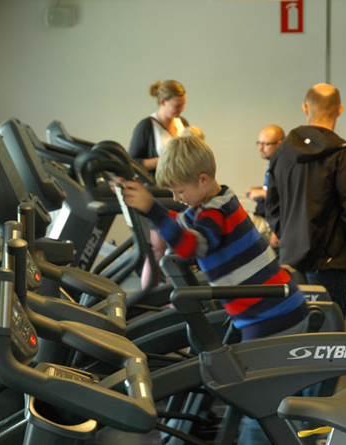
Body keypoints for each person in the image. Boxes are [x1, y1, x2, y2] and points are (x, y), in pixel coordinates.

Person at [118, 136, 309, 340]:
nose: (176, 198)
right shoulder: (217, 201)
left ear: (203, 180)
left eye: (180, 191)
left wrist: (153, 210)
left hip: (272, 315)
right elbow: (180, 223)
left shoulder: (216, 213)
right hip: (264, 311)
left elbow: (191, 246)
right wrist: (146, 203)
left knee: (247, 360)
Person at [266, 83, 346, 315]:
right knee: (330, 328)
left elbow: (272, 205)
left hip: (291, 258)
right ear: (339, 110)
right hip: (331, 262)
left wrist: (287, 236)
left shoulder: (281, 152)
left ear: (305, 108)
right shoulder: (343, 154)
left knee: (299, 327)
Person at [128, 80, 188, 288]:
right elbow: (132, 161)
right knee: (157, 251)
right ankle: (147, 298)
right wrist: (164, 159)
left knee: (177, 251)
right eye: (177, 105)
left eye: (183, 104)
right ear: (163, 101)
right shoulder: (146, 126)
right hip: (157, 194)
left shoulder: (182, 123)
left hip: (179, 194)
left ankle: (174, 298)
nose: (181, 109)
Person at [246, 125, 285, 248]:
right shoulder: (274, 165)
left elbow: (285, 196)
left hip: (273, 224)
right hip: (266, 218)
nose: (260, 148)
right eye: (259, 143)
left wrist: (262, 193)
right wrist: (257, 190)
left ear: (279, 144)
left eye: (266, 144)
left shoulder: (284, 167)